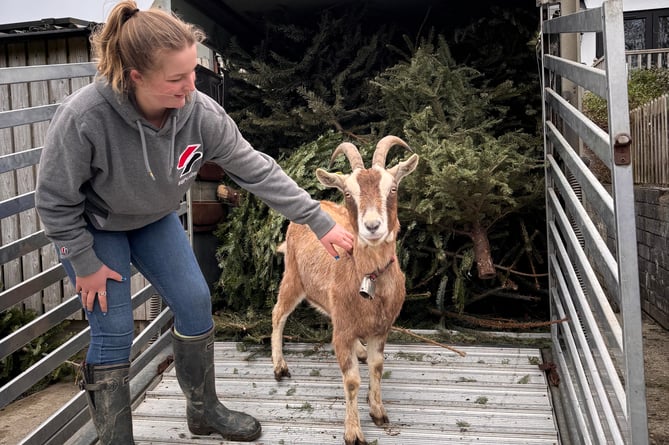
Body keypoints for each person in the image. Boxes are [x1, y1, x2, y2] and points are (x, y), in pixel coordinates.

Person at [34, 1, 354, 443]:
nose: (191, 87)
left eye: (193, 73)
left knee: (195, 302)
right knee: (114, 331)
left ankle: (204, 412)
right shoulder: (85, 117)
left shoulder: (199, 112)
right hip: (94, 228)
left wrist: (319, 220)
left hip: (153, 218)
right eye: (177, 79)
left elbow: (256, 169)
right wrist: (82, 261)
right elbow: (53, 200)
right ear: (136, 77)